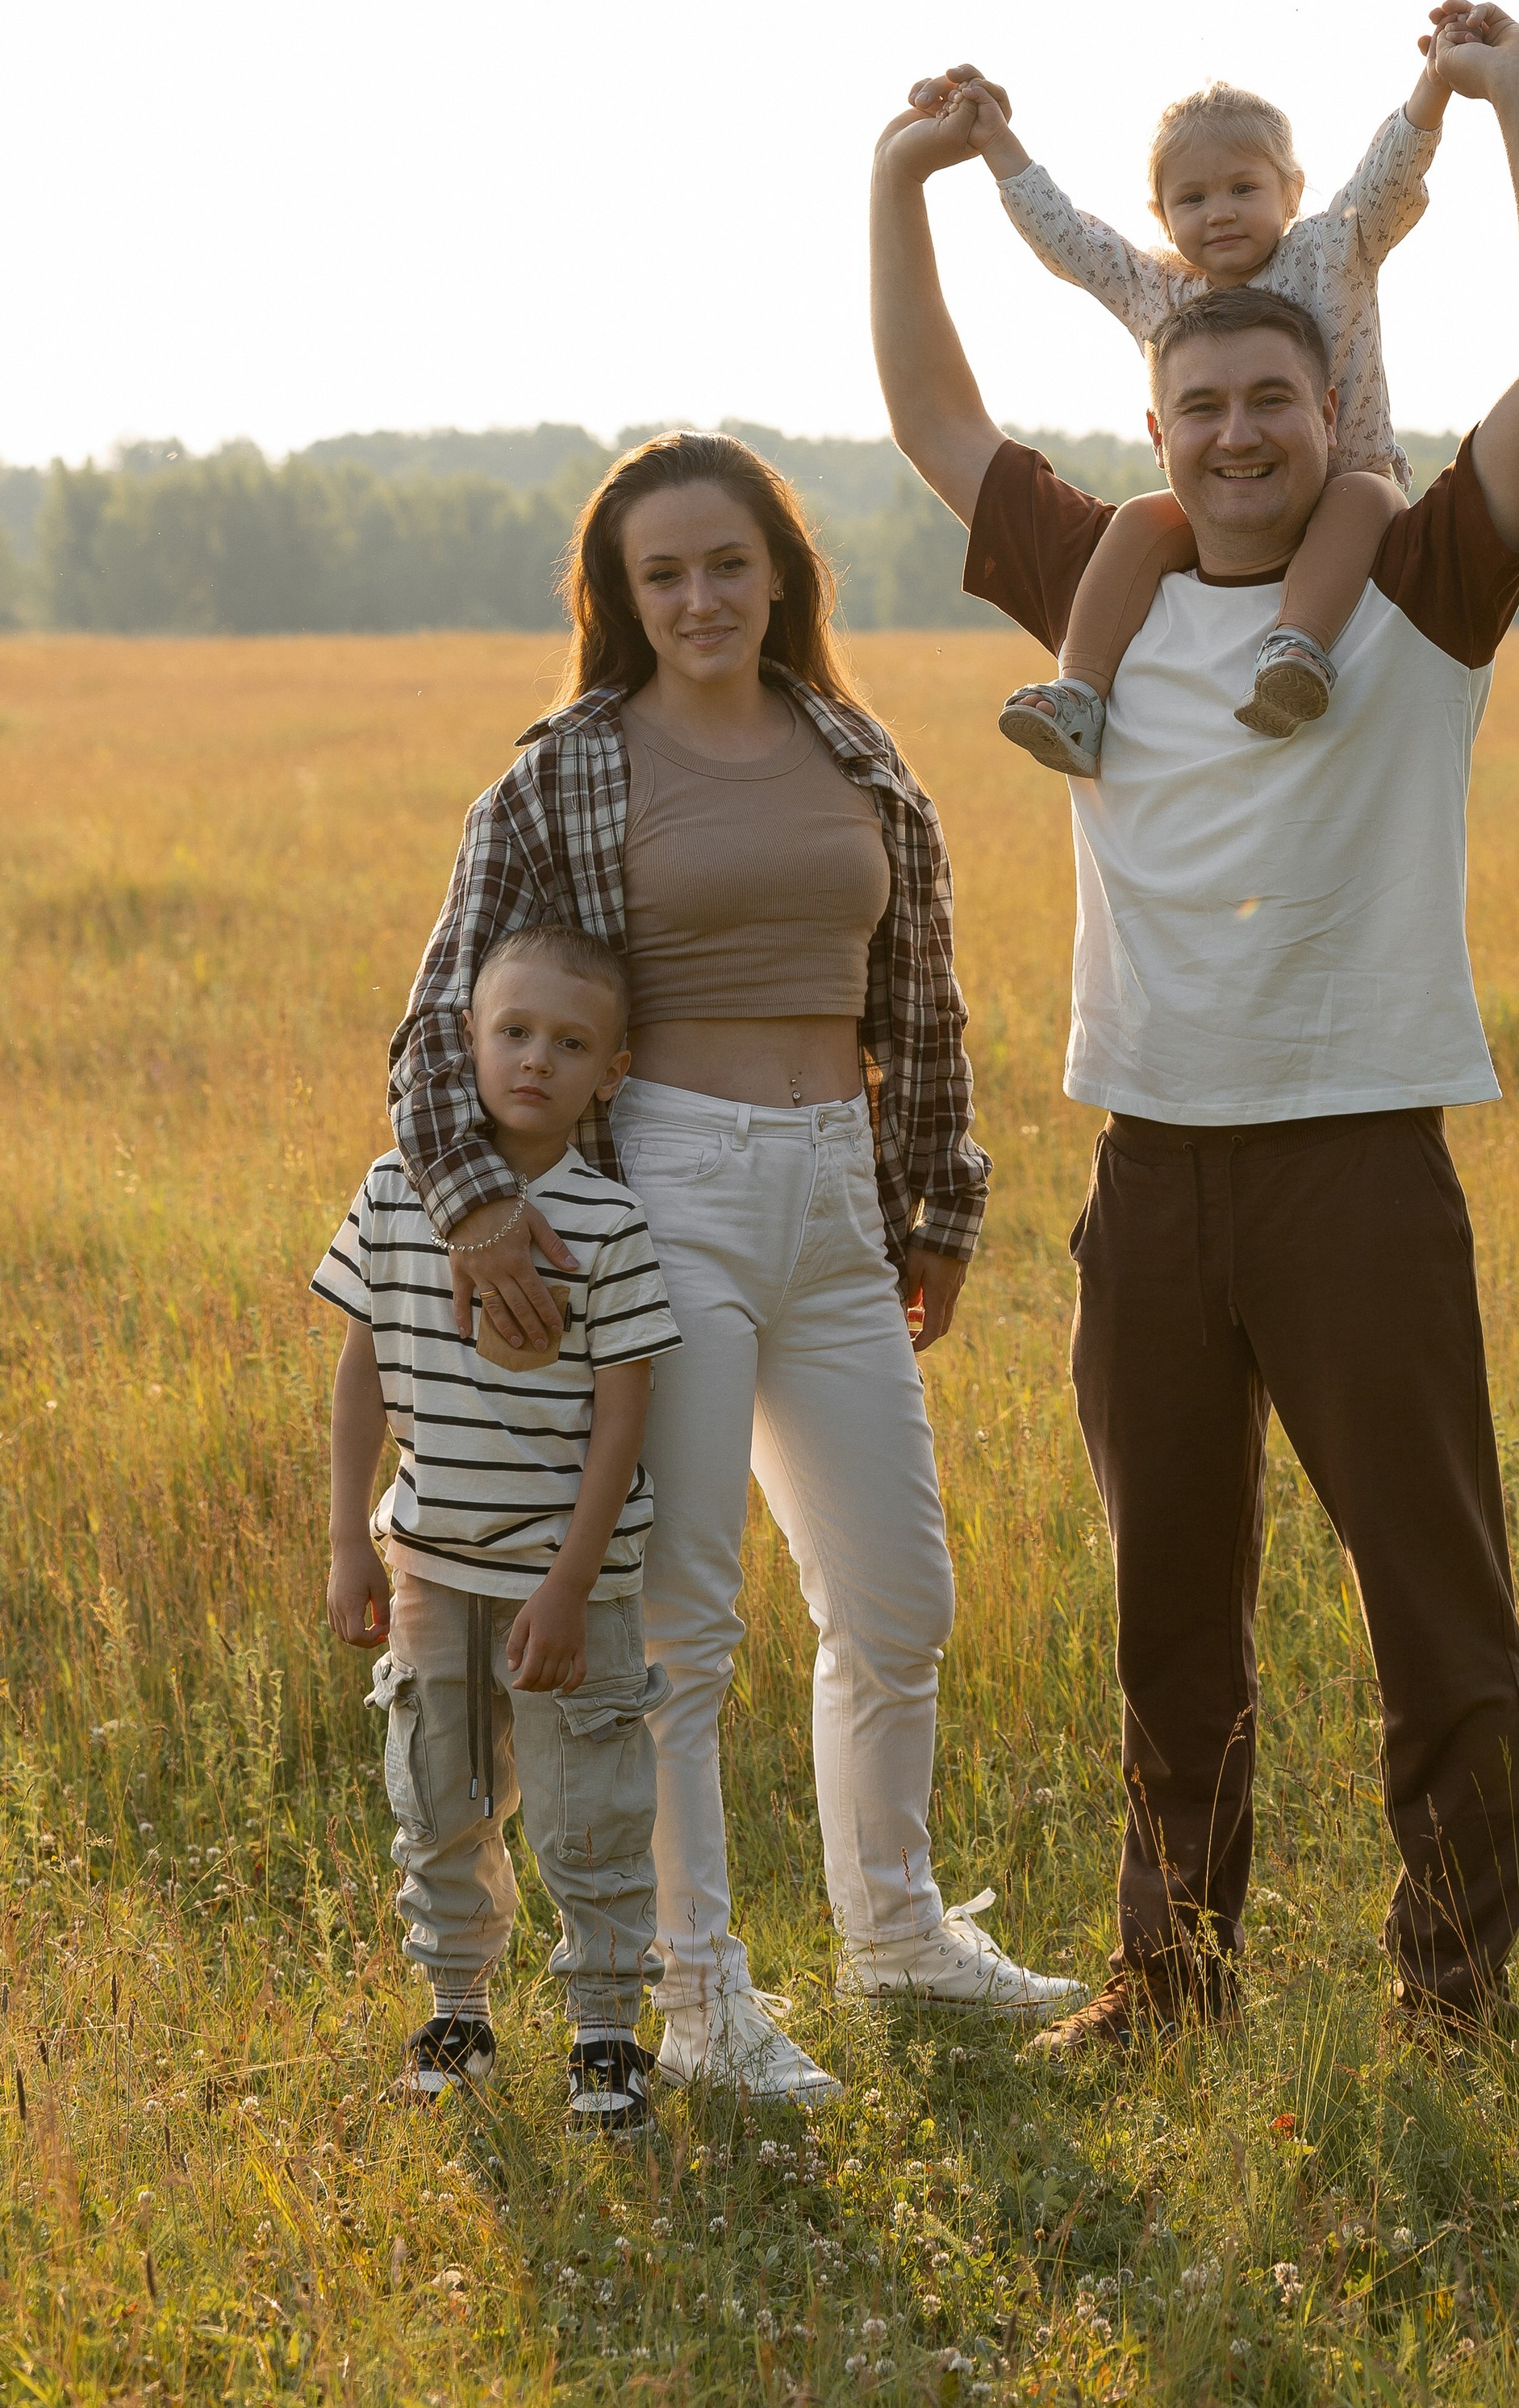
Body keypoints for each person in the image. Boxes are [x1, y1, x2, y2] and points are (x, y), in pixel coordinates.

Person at [870, 3, 1519, 2053]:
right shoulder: (1093, 601)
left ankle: (1449, 1990)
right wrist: (897, 185)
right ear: (1161, 417)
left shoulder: (1423, 591)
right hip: (1148, 1176)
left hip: (1358, 1165)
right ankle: (1169, 1982)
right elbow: (934, 419)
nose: (1230, 432)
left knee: (1431, 1603)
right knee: (1166, 1620)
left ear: (1324, 401)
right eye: (1196, 403)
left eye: (1267, 398)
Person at [386, 430, 1078, 2105]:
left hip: (839, 1206)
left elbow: (922, 1000)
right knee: (681, 1630)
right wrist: (483, 1214)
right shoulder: (564, 772)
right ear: (621, 601)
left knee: (898, 1600)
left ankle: (896, 1930)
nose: (698, 597)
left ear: (780, 573)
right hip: (665, 1202)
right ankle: (694, 2002)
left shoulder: (850, 745)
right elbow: (437, 1022)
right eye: (660, 574)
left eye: (725, 564)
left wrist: (937, 1211)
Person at [319, 924, 678, 2131]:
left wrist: (574, 1586)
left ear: (610, 1072)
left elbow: (625, 1421)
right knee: (437, 1790)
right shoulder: (394, 1192)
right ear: (463, 1043)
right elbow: (360, 1373)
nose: (535, 1060)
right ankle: (458, 2005)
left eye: (569, 1043)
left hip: (566, 1582)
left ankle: (604, 2032)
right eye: (511, 1032)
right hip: (430, 1568)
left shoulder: (608, 1224)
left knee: (591, 1805)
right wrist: (345, 1542)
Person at [902, 41, 1454, 772]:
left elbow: (1389, 175)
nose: (1219, 213)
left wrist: (1435, 83)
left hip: (1346, 490)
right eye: (1192, 198)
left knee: (1360, 493)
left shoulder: (1334, 250)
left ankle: (1296, 651)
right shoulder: (1159, 292)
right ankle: (1081, 693)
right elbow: (1071, 239)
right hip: (1223, 510)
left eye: (1242, 189)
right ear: (1162, 215)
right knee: (1139, 517)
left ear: (1292, 193)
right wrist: (996, 141)